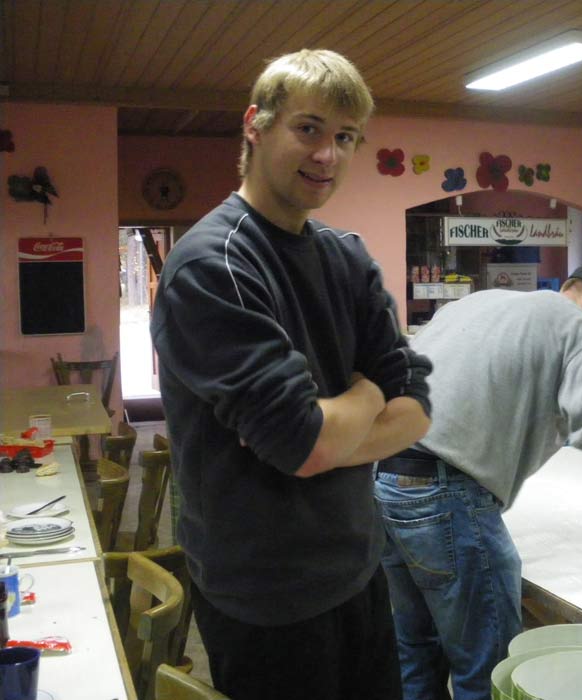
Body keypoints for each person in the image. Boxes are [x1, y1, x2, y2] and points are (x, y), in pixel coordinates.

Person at [150, 49, 432, 700]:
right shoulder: (213, 266)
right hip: (264, 596)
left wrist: (327, 428)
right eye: (308, 128)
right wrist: (367, 392)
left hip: (359, 570)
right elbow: (305, 444)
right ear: (256, 124)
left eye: (346, 137)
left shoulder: (346, 256)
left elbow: (416, 407)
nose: (327, 155)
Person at [375, 260, 582, 700]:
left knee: (417, 648)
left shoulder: (480, 303)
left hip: (384, 479)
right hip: (444, 493)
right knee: (488, 665)